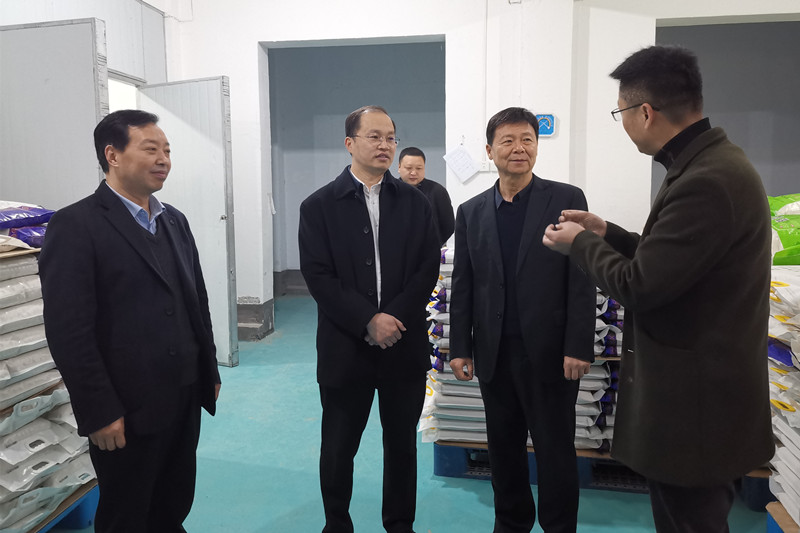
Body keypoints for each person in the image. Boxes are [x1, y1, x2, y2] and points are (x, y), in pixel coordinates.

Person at [542, 45, 773, 532]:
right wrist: (608, 233)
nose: (623, 125)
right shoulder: (709, 164)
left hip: (695, 409)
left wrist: (580, 244)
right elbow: (675, 260)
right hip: (703, 398)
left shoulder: (706, 180)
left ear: (645, 112)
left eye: (621, 114)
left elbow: (641, 285)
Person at [39, 109, 222, 533]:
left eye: (167, 151)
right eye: (151, 149)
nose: (163, 160)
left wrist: (207, 368)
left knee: (174, 501)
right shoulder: (76, 225)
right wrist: (98, 410)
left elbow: (197, 302)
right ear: (113, 155)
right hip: (126, 405)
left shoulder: (174, 220)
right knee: (127, 512)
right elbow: (69, 330)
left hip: (183, 393)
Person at [448, 107, 596, 533]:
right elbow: (464, 283)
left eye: (528, 139)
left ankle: (559, 527)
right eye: (508, 141)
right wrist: (460, 347)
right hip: (495, 353)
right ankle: (510, 524)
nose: (519, 148)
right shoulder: (471, 210)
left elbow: (581, 277)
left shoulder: (566, 200)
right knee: (503, 450)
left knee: (555, 451)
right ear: (489, 150)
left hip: (550, 354)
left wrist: (578, 345)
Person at [298, 105, 440, 533]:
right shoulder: (319, 206)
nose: (385, 145)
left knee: (402, 446)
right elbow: (318, 275)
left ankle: (399, 524)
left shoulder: (415, 203)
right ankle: (336, 523)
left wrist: (392, 316)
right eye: (374, 136)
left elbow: (427, 267)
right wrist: (367, 320)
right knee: (338, 447)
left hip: (403, 344)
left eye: (391, 137)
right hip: (346, 347)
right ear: (350, 143)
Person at [397, 147, 455, 245]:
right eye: (408, 168)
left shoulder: (437, 191)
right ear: (399, 167)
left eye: (419, 168)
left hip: (429, 249)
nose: (413, 173)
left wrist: (435, 244)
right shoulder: (390, 190)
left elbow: (449, 225)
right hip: (396, 249)